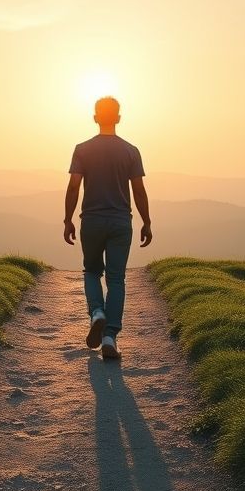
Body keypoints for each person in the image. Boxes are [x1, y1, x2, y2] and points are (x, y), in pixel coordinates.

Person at [63, 96, 153, 359]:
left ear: (95, 118)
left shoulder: (82, 149)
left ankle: (97, 313)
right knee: (116, 279)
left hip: (91, 220)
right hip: (120, 222)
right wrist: (146, 221)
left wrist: (68, 219)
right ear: (118, 118)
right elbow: (139, 190)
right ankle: (110, 337)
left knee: (91, 271)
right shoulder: (130, 151)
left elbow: (73, 187)